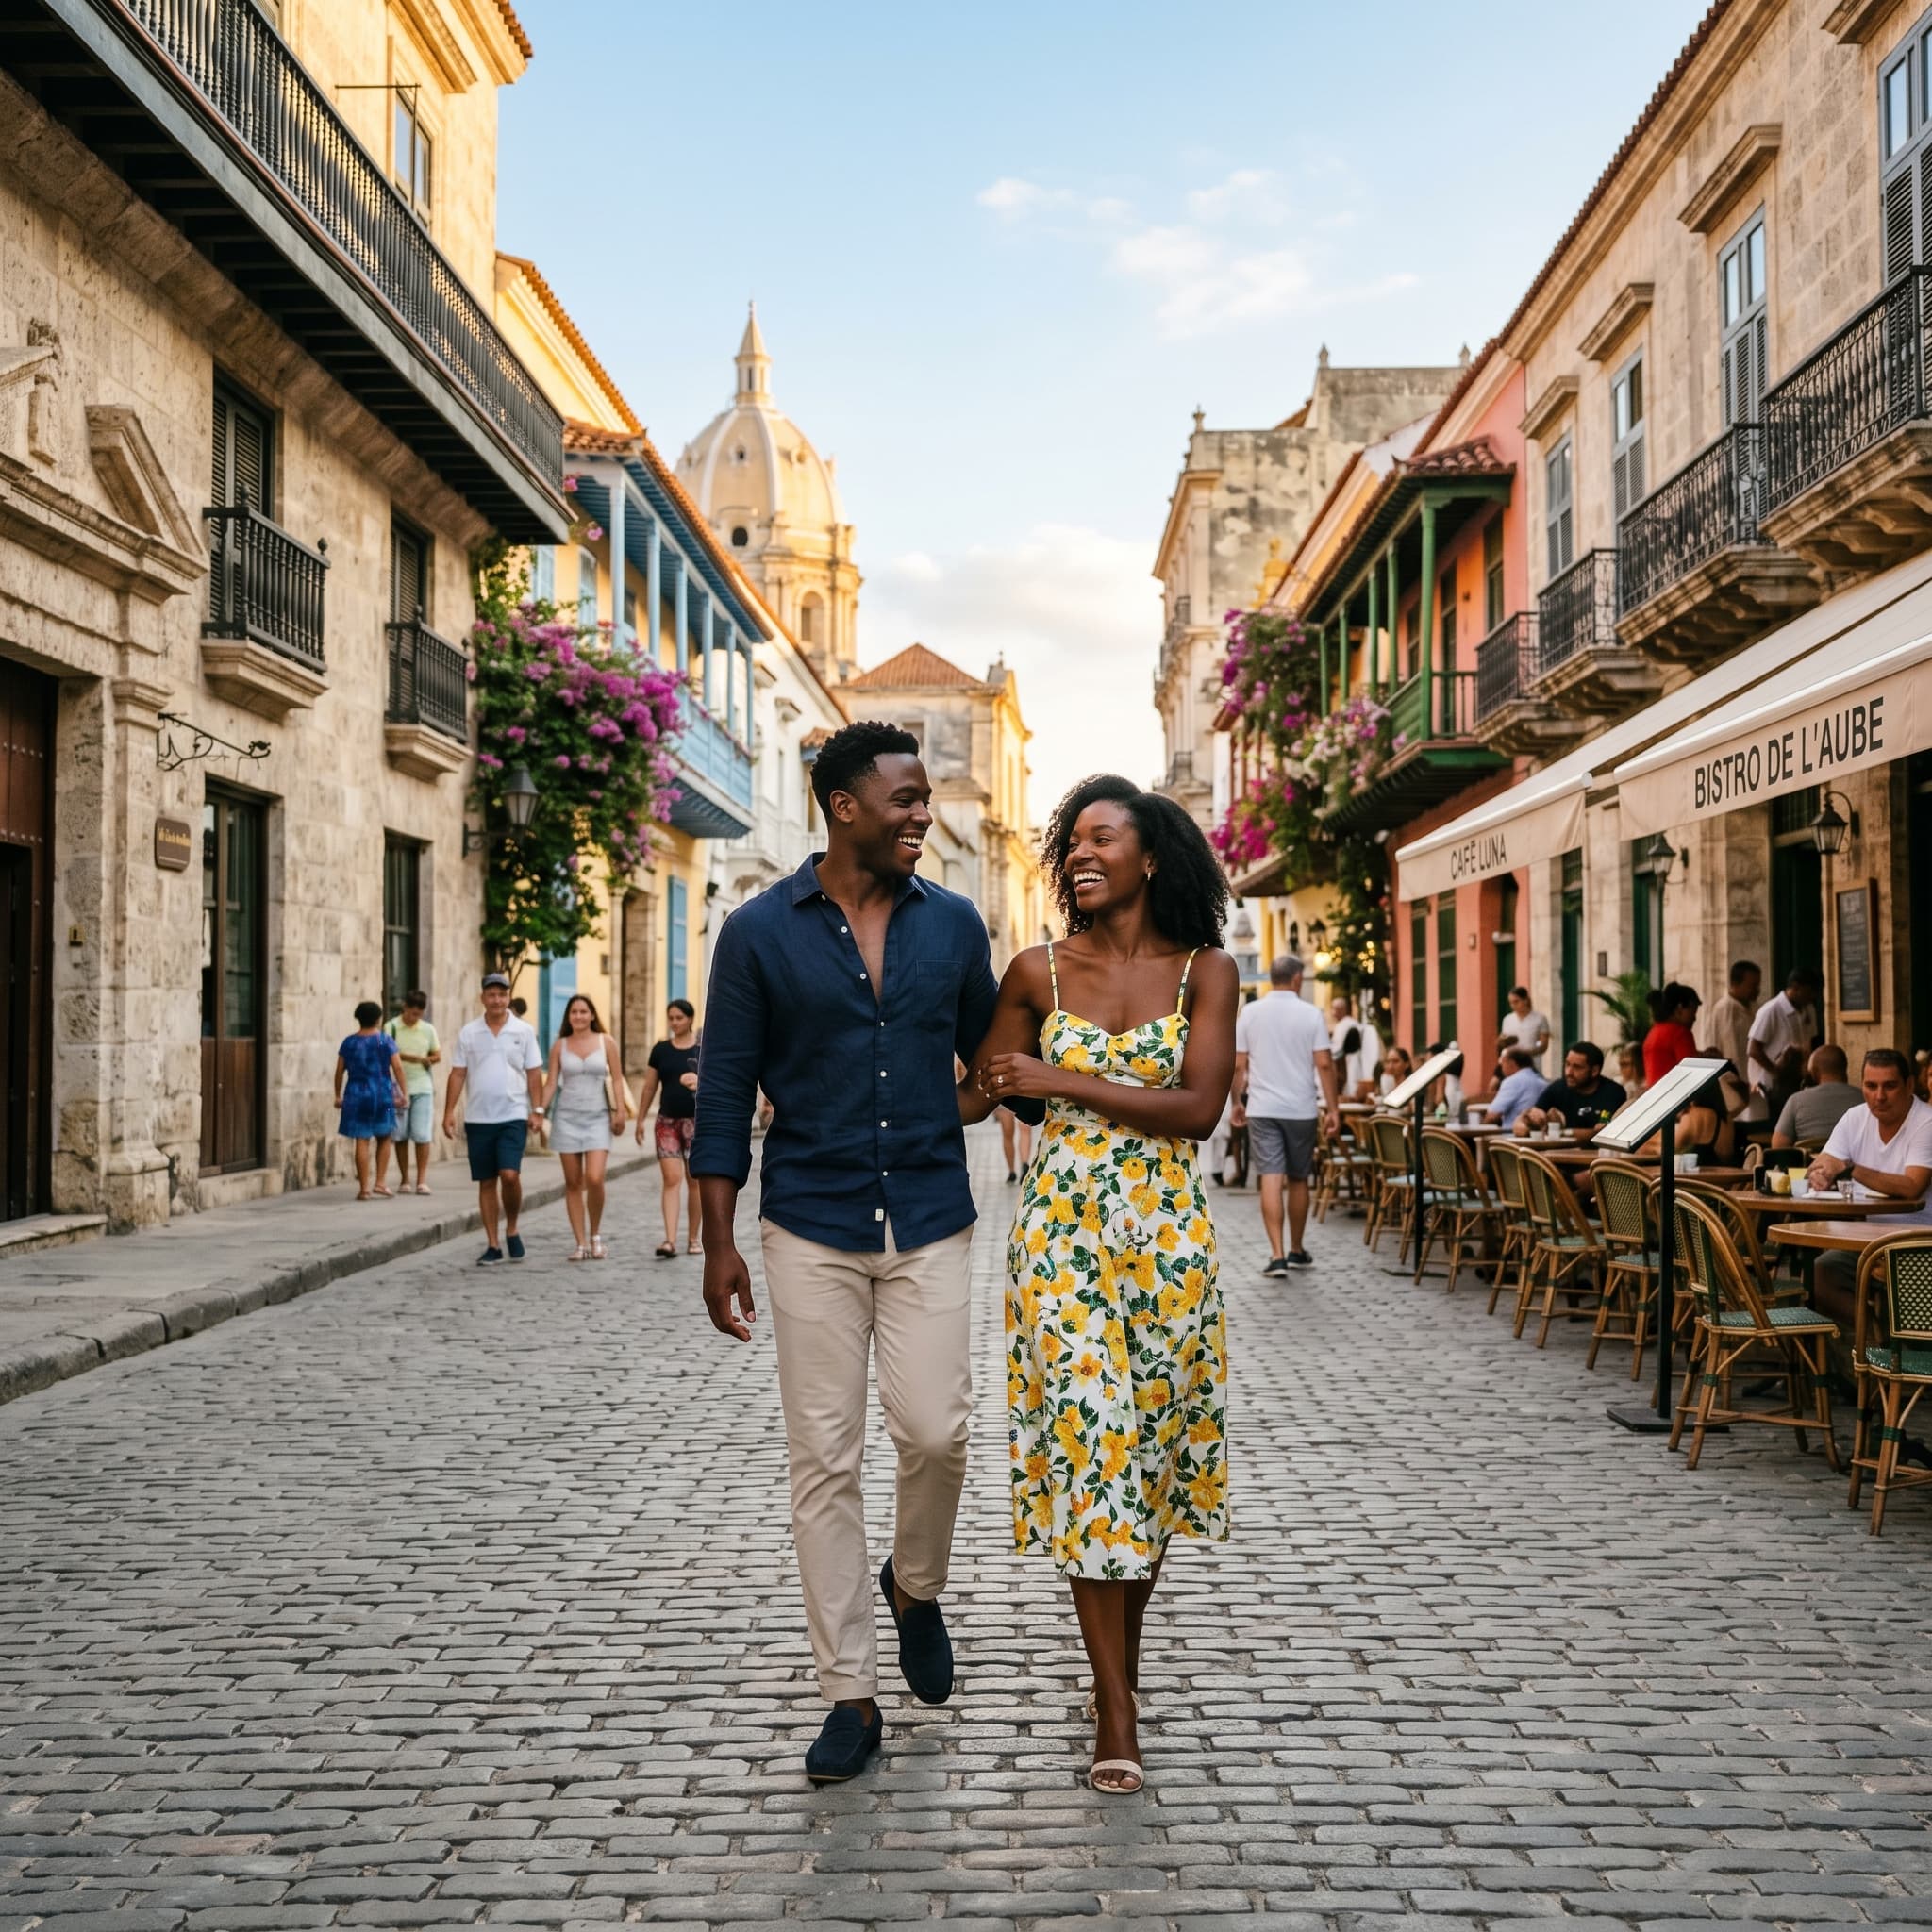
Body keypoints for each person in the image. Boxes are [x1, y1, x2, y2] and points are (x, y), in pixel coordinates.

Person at [691, 721, 1026, 1788]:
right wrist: (716, 1241)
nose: (924, 813)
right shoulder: (755, 932)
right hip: (808, 1223)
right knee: (821, 1461)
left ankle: (913, 1584)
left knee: (936, 1430)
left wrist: (950, 1112)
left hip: (928, 1211)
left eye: (926, 798)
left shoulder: (953, 924)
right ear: (845, 805)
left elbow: (989, 1057)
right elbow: (724, 1094)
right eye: (907, 799)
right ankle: (849, 1690)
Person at [964, 773, 1236, 1796]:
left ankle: (1116, 1666)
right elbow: (989, 1080)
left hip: (1168, 1244)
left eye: (1100, 838)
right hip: (1064, 1240)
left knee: (1152, 1464)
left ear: (1150, 856)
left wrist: (1059, 1080)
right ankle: (1114, 1703)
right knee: (1093, 1455)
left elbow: (1198, 1107)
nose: (1078, 854)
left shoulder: (1204, 972)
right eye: (1068, 841)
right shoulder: (1033, 969)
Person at [1231, 955, 1341, 1275]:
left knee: (1270, 1175)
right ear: (1297, 979)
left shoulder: (1250, 1013)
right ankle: (1296, 1249)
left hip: (1263, 1108)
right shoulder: (1311, 1014)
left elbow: (1238, 1065)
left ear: (1271, 978)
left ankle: (1276, 1255)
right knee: (1298, 1178)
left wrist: (1237, 1101)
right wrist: (1333, 1108)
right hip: (1301, 1109)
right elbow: (1324, 1063)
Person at [1807, 1050, 1932, 1322]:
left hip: (1920, 1242)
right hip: (1867, 1240)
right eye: (1870, 1086)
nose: (1879, 1096)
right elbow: (1826, 1160)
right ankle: (1873, 1344)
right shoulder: (1855, 1117)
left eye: (1889, 1085)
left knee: (1904, 1311)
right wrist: (1821, 1172)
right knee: (1823, 1272)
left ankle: (1893, 1349)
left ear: (1910, 1085)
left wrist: (1851, 1169)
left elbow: (1913, 1186)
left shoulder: (1927, 1121)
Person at [443, 971, 546, 1266]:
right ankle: (493, 1243)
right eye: (492, 994)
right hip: (479, 1117)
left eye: (502, 994)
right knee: (487, 1181)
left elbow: (534, 1072)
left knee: (510, 1175)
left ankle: (512, 1227)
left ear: (509, 997)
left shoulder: (523, 1031)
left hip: (513, 1113)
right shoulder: (469, 1032)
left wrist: (537, 1110)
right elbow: (458, 1072)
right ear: (482, 998)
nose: (497, 1000)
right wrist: (449, 1111)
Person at [543, 992, 628, 1262]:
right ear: (568, 1017)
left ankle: (596, 1236)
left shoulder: (607, 1042)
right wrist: (537, 1111)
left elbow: (617, 1079)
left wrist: (620, 1110)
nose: (578, 1016)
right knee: (572, 1183)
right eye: (573, 1012)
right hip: (566, 1118)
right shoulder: (560, 1046)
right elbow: (550, 1083)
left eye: (583, 1011)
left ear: (592, 1015)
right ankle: (580, 1243)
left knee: (594, 1178)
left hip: (598, 1118)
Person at [636, 997, 703, 1257]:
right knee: (671, 1179)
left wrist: (700, 1081)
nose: (675, 1022)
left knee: (694, 1180)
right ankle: (670, 1240)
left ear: (690, 1019)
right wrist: (640, 1119)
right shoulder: (660, 1050)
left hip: (696, 1122)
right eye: (671, 1018)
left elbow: (720, 1081)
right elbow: (650, 1086)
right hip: (667, 1122)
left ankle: (694, 1238)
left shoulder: (702, 1050)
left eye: (680, 1018)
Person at [335, 1000, 407, 1199]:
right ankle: (381, 1182)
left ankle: (364, 1188)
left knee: (362, 1138)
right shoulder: (384, 1040)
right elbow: (398, 1067)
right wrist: (403, 1093)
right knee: (385, 1136)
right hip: (383, 1094)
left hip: (356, 1094)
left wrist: (337, 1094)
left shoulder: (349, 1042)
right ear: (378, 1019)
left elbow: (340, 1070)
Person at [1747, 966, 1822, 1123]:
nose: (1812, 997)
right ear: (1795, 987)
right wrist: (1775, 1071)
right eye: (1809, 992)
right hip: (1773, 1086)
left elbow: (1810, 1042)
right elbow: (1753, 1049)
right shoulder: (1771, 1010)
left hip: (1797, 1080)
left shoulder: (1809, 1009)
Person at [384, 990, 441, 1195]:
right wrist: (412, 1058)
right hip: (397, 1089)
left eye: (418, 1014)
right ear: (404, 1008)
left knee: (422, 1134)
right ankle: (405, 1179)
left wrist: (428, 1060)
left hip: (422, 1086)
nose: (414, 1017)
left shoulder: (428, 1030)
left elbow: (437, 1054)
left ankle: (422, 1180)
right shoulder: (391, 1027)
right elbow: (386, 1053)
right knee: (400, 1135)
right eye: (411, 1013)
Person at [1515, 1041, 1626, 1135]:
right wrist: (1529, 1124)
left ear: (1594, 1071)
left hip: (1598, 1158)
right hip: (1558, 1156)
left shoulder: (1613, 1093)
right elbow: (1522, 1122)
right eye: (1567, 1065)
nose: (1569, 1072)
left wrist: (1559, 1132)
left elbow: (1602, 1131)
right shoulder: (1557, 1088)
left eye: (1577, 1067)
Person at [1772, 1044, 1860, 1150]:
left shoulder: (1796, 1101)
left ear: (1815, 1072)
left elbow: (1778, 1146)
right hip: (1854, 1165)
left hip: (1808, 1165)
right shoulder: (1865, 1099)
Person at [1701, 959, 1761, 1082]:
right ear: (1735, 983)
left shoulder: (1756, 1008)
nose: (1757, 990)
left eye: (1758, 985)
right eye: (1752, 986)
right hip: (1733, 1080)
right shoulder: (1723, 1009)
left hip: (1755, 1078)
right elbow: (1720, 1049)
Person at [1643, 982, 1702, 1086]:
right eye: (1693, 1012)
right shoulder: (1680, 1034)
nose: (1694, 1018)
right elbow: (1692, 1073)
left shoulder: (1653, 1032)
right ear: (1680, 1009)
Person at [1328, 994, 1383, 1100]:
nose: (1333, 1012)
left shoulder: (1343, 1025)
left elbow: (1336, 1052)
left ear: (1341, 1010)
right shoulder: (1352, 1023)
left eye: (1334, 1009)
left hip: (1348, 1062)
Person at [1482, 1047, 1545, 1129]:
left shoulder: (1512, 1082)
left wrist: (1481, 1124)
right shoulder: (1543, 1083)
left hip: (1510, 1136)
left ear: (1511, 1063)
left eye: (1502, 1063)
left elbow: (1492, 1116)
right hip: (1538, 1136)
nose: (1501, 1068)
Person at [1495, 986, 1551, 1071]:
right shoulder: (1507, 1019)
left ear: (1525, 1000)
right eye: (1511, 1003)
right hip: (1511, 1064)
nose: (1513, 1005)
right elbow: (1503, 1040)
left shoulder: (1539, 1018)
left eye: (1516, 1002)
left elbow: (1543, 1045)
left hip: (1532, 1063)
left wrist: (1529, 1052)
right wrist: (1501, 1042)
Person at [1000, 1106, 1034, 1185]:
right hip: (1021, 1095)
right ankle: (1021, 1165)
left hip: (1007, 1096)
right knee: (1022, 1129)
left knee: (1009, 1132)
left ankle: (1015, 1170)